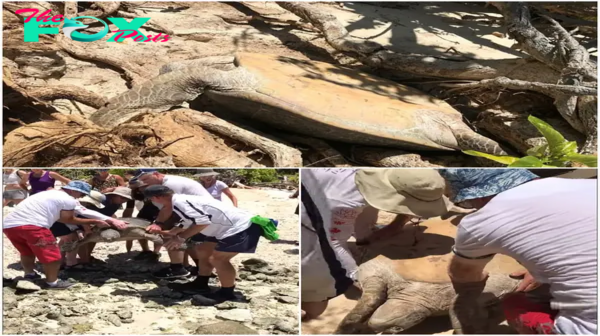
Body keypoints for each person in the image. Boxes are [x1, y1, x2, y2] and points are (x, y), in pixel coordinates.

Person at [439, 169, 597, 335]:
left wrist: (470, 292)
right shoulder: (589, 184)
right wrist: (540, 267)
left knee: (515, 304)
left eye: (468, 203)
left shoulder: (479, 223)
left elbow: (462, 273)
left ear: (478, 196)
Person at [300, 168, 452, 320]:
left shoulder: (373, 177)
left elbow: (366, 214)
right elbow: (333, 244)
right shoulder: (342, 204)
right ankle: (305, 314)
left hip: (316, 193)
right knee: (318, 293)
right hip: (311, 227)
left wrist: (391, 227)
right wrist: (353, 274)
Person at [142, 185, 278, 305]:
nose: (152, 203)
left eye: (151, 200)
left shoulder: (179, 202)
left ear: (157, 197)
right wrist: (170, 233)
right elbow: (189, 221)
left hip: (241, 227)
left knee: (218, 259)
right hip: (223, 228)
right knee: (202, 250)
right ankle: (201, 283)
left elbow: (202, 222)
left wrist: (180, 238)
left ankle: (227, 293)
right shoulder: (179, 200)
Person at [3, 181, 110, 289]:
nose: (80, 197)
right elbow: (67, 219)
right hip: (33, 226)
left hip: (9, 225)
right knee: (52, 256)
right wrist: (95, 221)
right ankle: (52, 283)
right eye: (81, 194)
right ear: (74, 191)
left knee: (27, 252)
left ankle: (29, 275)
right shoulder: (68, 199)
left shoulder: (45, 194)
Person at [137, 169, 212, 278]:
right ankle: (195, 267)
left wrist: (159, 224)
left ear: (156, 174)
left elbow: (168, 206)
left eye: (146, 179)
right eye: (142, 180)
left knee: (172, 236)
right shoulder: (166, 183)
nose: (145, 182)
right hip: (196, 213)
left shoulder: (171, 184)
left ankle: (177, 268)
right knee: (185, 239)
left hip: (199, 214)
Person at [50, 190, 129, 270]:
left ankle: (60, 262)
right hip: (58, 221)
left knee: (68, 239)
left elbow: (82, 215)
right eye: (122, 197)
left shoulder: (79, 204)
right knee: (73, 238)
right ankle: (71, 264)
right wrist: (78, 228)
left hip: (67, 221)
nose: (124, 200)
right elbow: (68, 217)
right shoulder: (72, 203)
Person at [76, 187, 134, 265]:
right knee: (82, 240)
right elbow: (82, 213)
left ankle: (88, 257)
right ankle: (83, 261)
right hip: (80, 220)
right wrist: (85, 227)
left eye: (126, 199)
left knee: (92, 238)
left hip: (96, 222)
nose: (123, 200)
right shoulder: (101, 200)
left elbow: (108, 214)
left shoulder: (117, 204)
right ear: (114, 195)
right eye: (122, 197)